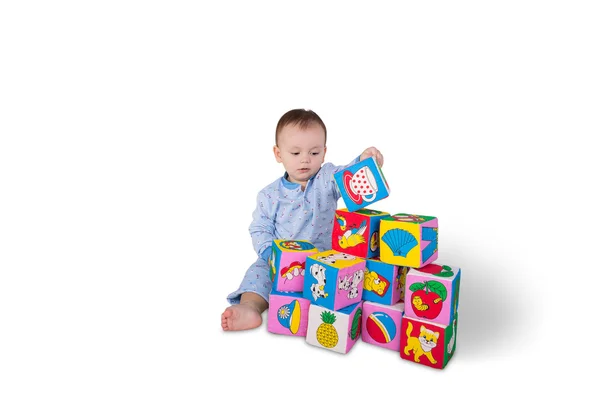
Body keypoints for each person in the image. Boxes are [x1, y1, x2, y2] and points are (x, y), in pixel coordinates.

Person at [221, 109, 384, 331]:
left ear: (324, 153)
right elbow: (260, 228)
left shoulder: (326, 179)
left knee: (350, 277)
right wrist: (270, 254)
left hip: (325, 259)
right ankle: (251, 307)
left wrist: (363, 163)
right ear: (279, 154)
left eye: (314, 153)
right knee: (257, 274)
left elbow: (347, 177)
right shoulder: (269, 195)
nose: (305, 159)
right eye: (295, 153)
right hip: (281, 262)